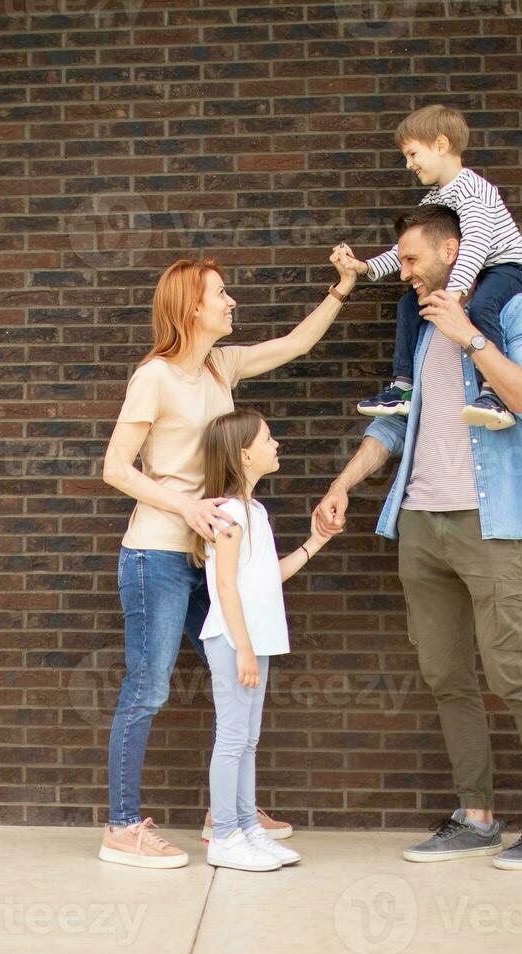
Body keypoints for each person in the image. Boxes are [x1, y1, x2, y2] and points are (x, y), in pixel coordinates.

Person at [317, 205, 522, 871]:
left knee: (510, 670)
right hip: (420, 523)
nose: (401, 273)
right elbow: (396, 423)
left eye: (410, 260)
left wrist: (468, 335)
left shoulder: (516, 312)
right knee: (443, 673)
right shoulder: (422, 329)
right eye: (398, 262)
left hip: (488, 524)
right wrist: (343, 484)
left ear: (452, 250)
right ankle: (476, 814)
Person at [98, 249, 358, 869]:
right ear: (191, 306)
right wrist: (186, 508)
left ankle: (230, 815)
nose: (231, 301)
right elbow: (114, 468)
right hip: (158, 554)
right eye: (220, 293)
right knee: (149, 687)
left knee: (234, 681)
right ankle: (122, 826)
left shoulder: (221, 367)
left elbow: (296, 342)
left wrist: (343, 290)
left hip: (208, 557)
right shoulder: (154, 377)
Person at [190, 408, 334, 871]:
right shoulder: (228, 514)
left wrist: (315, 542)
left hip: (255, 643)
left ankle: (248, 829)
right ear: (244, 453)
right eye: (269, 439)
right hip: (234, 643)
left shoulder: (254, 511)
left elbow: (270, 575)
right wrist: (245, 648)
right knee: (232, 738)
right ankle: (225, 836)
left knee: (248, 739)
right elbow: (226, 586)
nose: (277, 445)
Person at [349, 104, 522, 431]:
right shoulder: (433, 202)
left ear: (440, 144)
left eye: (411, 154)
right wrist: (365, 267)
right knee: (409, 303)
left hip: (507, 265)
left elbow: (475, 245)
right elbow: (404, 251)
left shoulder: (475, 190)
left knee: (481, 305)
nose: (408, 164)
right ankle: (403, 387)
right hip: (476, 269)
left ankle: (494, 394)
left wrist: (453, 295)